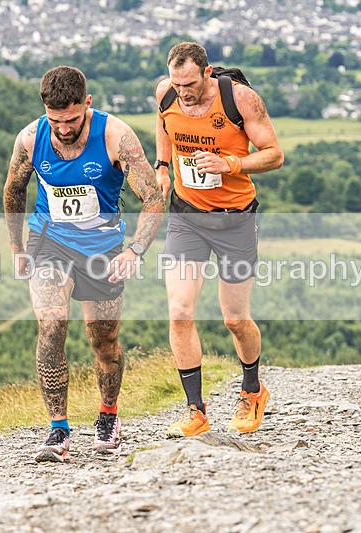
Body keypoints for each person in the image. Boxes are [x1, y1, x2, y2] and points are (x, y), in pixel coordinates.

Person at [4, 66, 164, 462]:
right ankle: (58, 429)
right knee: (51, 324)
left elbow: (153, 198)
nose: (63, 129)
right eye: (55, 120)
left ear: (87, 104)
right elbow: (13, 190)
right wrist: (16, 246)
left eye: (72, 120)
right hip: (49, 241)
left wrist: (135, 250)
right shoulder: (30, 138)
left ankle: (108, 415)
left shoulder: (115, 136)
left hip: (103, 249)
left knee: (103, 340)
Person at [154, 42, 284, 437]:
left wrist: (231, 164)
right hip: (187, 217)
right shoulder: (166, 93)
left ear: (207, 73)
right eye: (177, 84)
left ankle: (252, 389)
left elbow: (274, 154)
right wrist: (163, 166)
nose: (183, 92)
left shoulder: (240, 99)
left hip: (235, 221)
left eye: (190, 84)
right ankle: (195, 410)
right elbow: (165, 125)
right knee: (180, 311)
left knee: (235, 318)